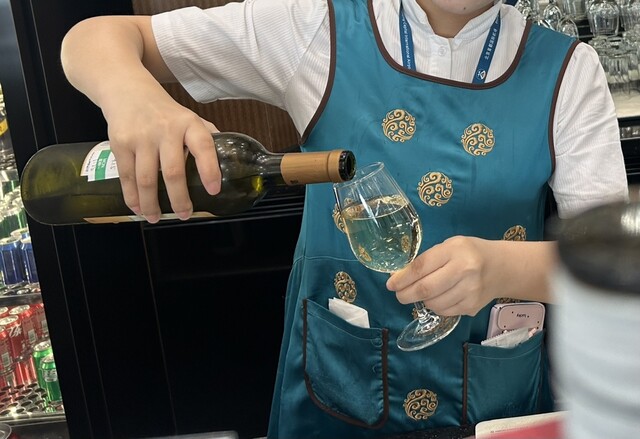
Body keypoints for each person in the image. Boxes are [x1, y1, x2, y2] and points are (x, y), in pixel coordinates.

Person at [59, 0, 629, 437]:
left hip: (491, 401)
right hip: (337, 392)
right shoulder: (318, 28)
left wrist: (506, 268)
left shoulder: (567, 69)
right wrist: (135, 97)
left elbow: (619, 268)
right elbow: (92, 38)